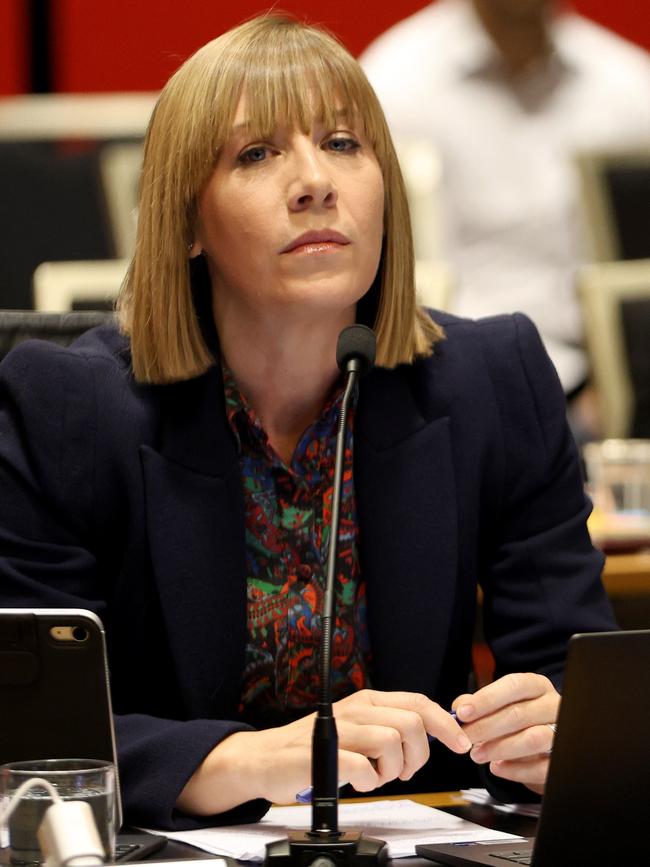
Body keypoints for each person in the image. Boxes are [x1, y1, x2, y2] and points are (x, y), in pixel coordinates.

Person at [0, 14, 616, 831]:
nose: (315, 182)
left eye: (343, 144)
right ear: (185, 221)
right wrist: (250, 759)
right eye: (257, 154)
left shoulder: (493, 379)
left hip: (416, 836)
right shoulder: (68, 406)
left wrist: (559, 731)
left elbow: (579, 671)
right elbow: (32, 736)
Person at [361, 0, 650, 401]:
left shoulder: (629, 88)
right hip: (441, 375)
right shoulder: (396, 84)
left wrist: (617, 386)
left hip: (594, 385)